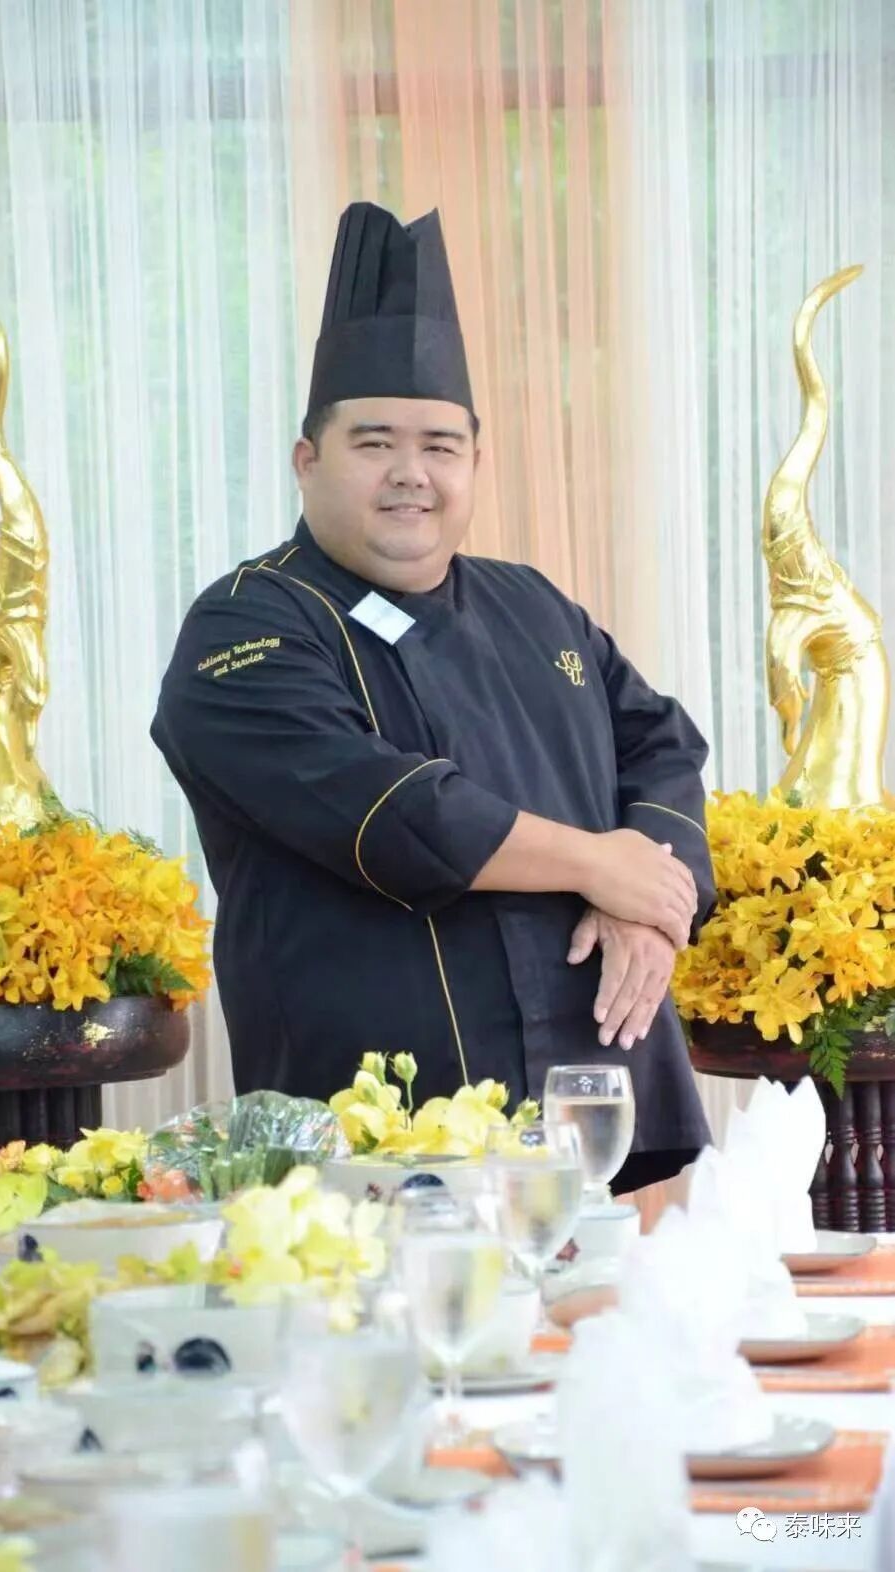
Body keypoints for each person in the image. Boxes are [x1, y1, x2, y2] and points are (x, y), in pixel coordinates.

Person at [152, 201, 714, 1192]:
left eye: (441, 446)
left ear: (475, 463)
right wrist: (597, 863)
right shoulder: (246, 625)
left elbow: (661, 746)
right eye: (374, 443)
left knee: (604, 1295)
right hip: (372, 1133)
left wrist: (650, 908)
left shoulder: (532, 605)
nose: (411, 475)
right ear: (307, 461)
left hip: (591, 1091)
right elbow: (394, 813)